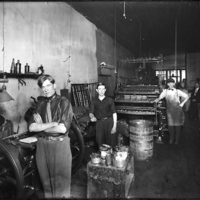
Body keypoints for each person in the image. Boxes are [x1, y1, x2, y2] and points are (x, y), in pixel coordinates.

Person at [28, 74, 73, 198]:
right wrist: (51, 124)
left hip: (59, 145)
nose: (46, 89)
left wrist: (41, 125)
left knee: (61, 188)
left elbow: (62, 128)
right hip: (42, 146)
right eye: (43, 87)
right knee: (46, 185)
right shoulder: (40, 104)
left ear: (54, 85)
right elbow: (31, 127)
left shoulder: (64, 102)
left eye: (48, 85)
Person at [154, 78, 189, 144]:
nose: (170, 84)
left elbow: (187, 96)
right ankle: (171, 138)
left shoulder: (177, 91)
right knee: (170, 126)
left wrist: (182, 103)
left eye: (171, 83)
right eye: (169, 83)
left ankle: (177, 139)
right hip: (169, 110)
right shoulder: (165, 91)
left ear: (174, 83)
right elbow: (160, 98)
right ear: (167, 84)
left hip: (178, 110)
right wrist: (156, 100)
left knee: (178, 126)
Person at [89, 82, 117, 149]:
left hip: (109, 122)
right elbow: (91, 112)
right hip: (99, 123)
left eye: (103, 89)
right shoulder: (94, 101)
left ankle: (110, 157)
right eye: (99, 89)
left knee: (111, 142)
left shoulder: (110, 100)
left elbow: (114, 113)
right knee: (100, 141)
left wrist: (114, 126)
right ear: (97, 90)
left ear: (105, 90)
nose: (101, 91)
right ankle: (102, 157)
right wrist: (92, 117)